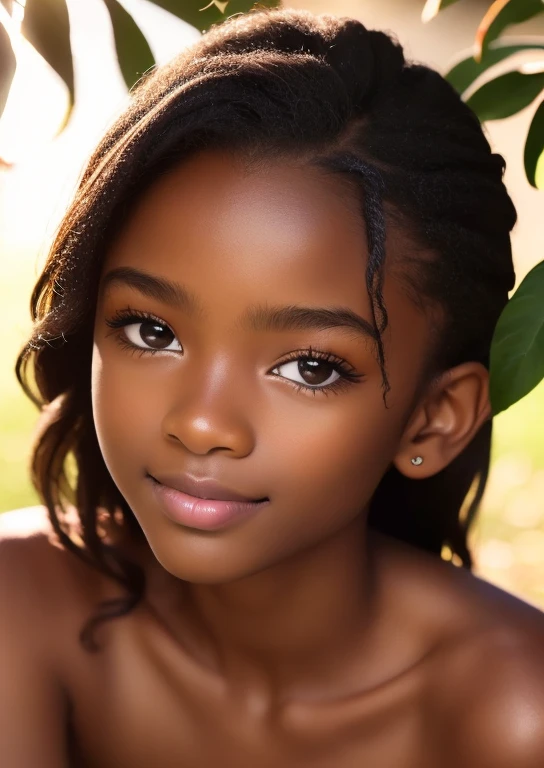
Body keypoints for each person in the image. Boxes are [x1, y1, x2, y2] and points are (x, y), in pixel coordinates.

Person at [1, 7, 544, 766]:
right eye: (151, 331)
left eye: (310, 368)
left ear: (434, 420)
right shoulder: (20, 606)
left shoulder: (513, 713)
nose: (201, 423)